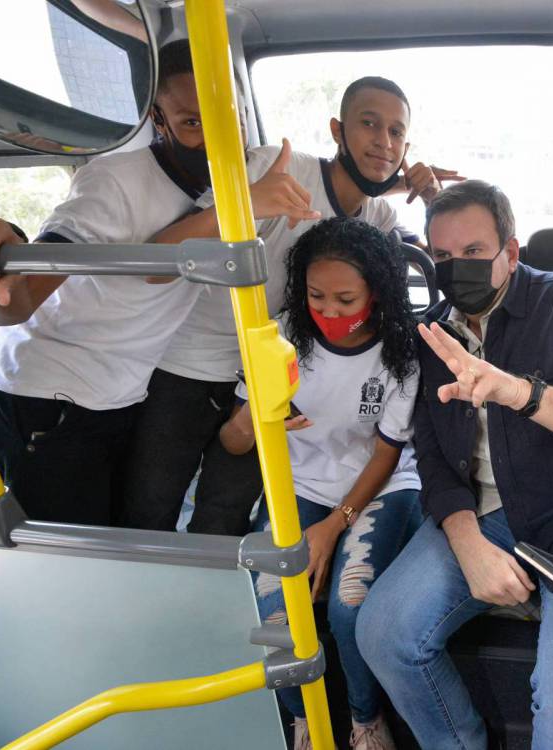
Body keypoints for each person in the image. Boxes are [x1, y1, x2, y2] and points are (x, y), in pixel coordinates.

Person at [0, 39, 315, 524]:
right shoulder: (114, 181)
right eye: (193, 122)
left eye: (228, 121)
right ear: (158, 118)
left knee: (115, 541)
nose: (217, 140)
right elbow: (14, 302)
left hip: (114, 395)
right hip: (42, 393)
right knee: (67, 558)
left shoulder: (230, 180)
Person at [356, 180, 553, 750]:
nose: (455, 267)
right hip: (492, 512)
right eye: (442, 256)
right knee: (384, 631)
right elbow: (436, 456)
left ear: (510, 254)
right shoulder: (435, 331)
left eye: (472, 253)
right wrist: (467, 543)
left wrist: (521, 394)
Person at [121, 75, 455, 535]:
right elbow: (154, 264)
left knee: (225, 515)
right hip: (191, 368)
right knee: (150, 509)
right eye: (369, 124)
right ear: (338, 130)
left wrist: (433, 197)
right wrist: (246, 202)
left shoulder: (378, 218)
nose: (383, 141)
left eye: (396, 132)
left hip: (271, 379)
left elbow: (441, 259)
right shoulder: (275, 170)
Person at [220, 218, 421, 750]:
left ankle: (364, 719)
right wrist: (254, 420)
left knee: (348, 604)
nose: (329, 311)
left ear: (375, 294)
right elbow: (233, 443)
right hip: (302, 485)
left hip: (381, 485)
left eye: (345, 298)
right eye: (316, 296)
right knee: (274, 611)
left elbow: (386, 452)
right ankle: (304, 720)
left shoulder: (400, 351)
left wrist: (335, 526)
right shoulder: (280, 336)